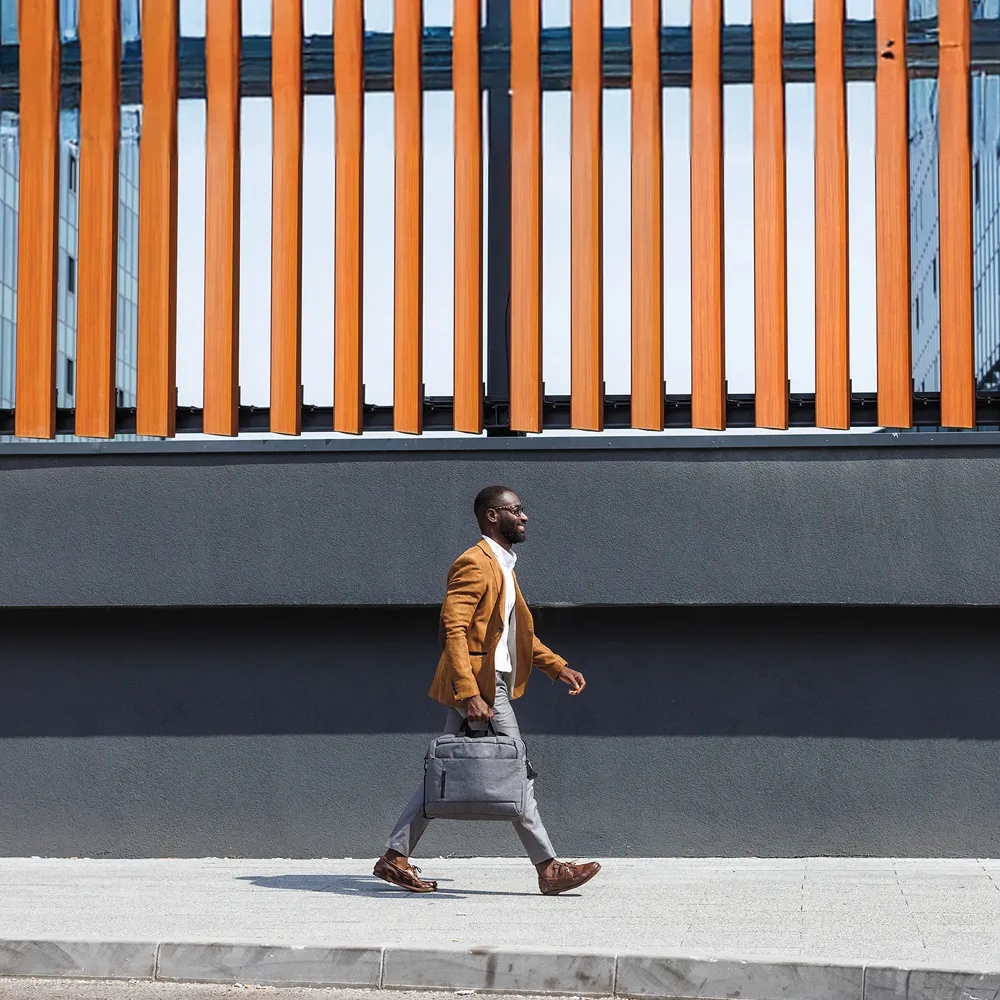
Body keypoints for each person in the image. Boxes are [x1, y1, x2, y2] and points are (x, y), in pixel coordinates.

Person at [374, 485, 602, 896]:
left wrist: (557, 666)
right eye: (516, 510)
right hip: (481, 687)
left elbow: (514, 634)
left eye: (523, 510)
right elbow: (454, 629)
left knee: (447, 770)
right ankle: (549, 868)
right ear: (493, 516)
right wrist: (469, 692)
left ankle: (395, 856)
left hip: (488, 684)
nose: (525, 517)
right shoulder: (475, 563)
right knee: (515, 768)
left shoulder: (503, 565)